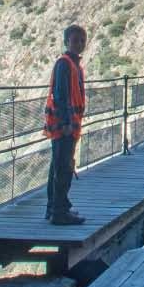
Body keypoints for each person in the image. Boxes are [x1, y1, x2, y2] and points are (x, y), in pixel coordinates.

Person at [43, 23, 88, 225]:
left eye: (82, 40)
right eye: (75, 40)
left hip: (67, 124)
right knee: (63, 168)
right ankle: (59, 212)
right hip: (65, 125)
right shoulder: (65, 64)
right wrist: (67, 122)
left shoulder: (73, 64)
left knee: (59, 166)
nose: (79, 44)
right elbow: (61, 95)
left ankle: (54, 208)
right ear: (66, 42)